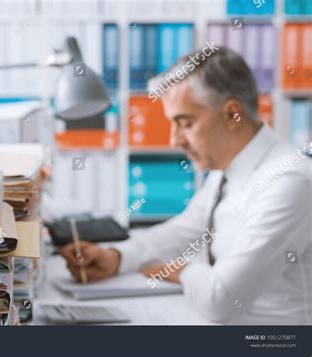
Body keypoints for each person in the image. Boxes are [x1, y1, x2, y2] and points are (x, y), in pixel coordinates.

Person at [61, 47, 311, 325]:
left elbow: (221, 300)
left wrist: (184, 271)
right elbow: (185, 231)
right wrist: (117, 257)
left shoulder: (291, 182)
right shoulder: (228, 168)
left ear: (232, 115)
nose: (174, 141)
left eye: (185, 123)